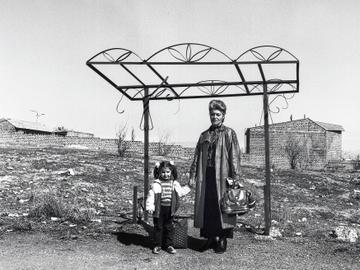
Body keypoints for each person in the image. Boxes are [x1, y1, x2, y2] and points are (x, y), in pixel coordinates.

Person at [188, 99, 242, 253]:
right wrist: (192, 175)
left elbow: (235, 157)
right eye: (212, 114)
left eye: (218, 114)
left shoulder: (229, 133)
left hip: (224, 176)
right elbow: (197, 157)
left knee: (224, 207)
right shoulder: (204, 134)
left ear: (223, 116)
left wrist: (236, 178)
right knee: (207, 207)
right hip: (206, 176)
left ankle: (222, 239)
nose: (215, 117)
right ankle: (210, 238)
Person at [146, 160, 191, 255]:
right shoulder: (156, 184)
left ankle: (169, 245)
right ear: (158, 172)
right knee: (158, 227)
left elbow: (181, 192)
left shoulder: (174, 184)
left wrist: (189, 187)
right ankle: (157, 245)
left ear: (171, 172)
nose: (165, 174)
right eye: (163, 172)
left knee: (169, 227)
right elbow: (151, 196)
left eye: (167, 172)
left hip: (170, 209)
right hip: (159, 210)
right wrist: (150, 206)